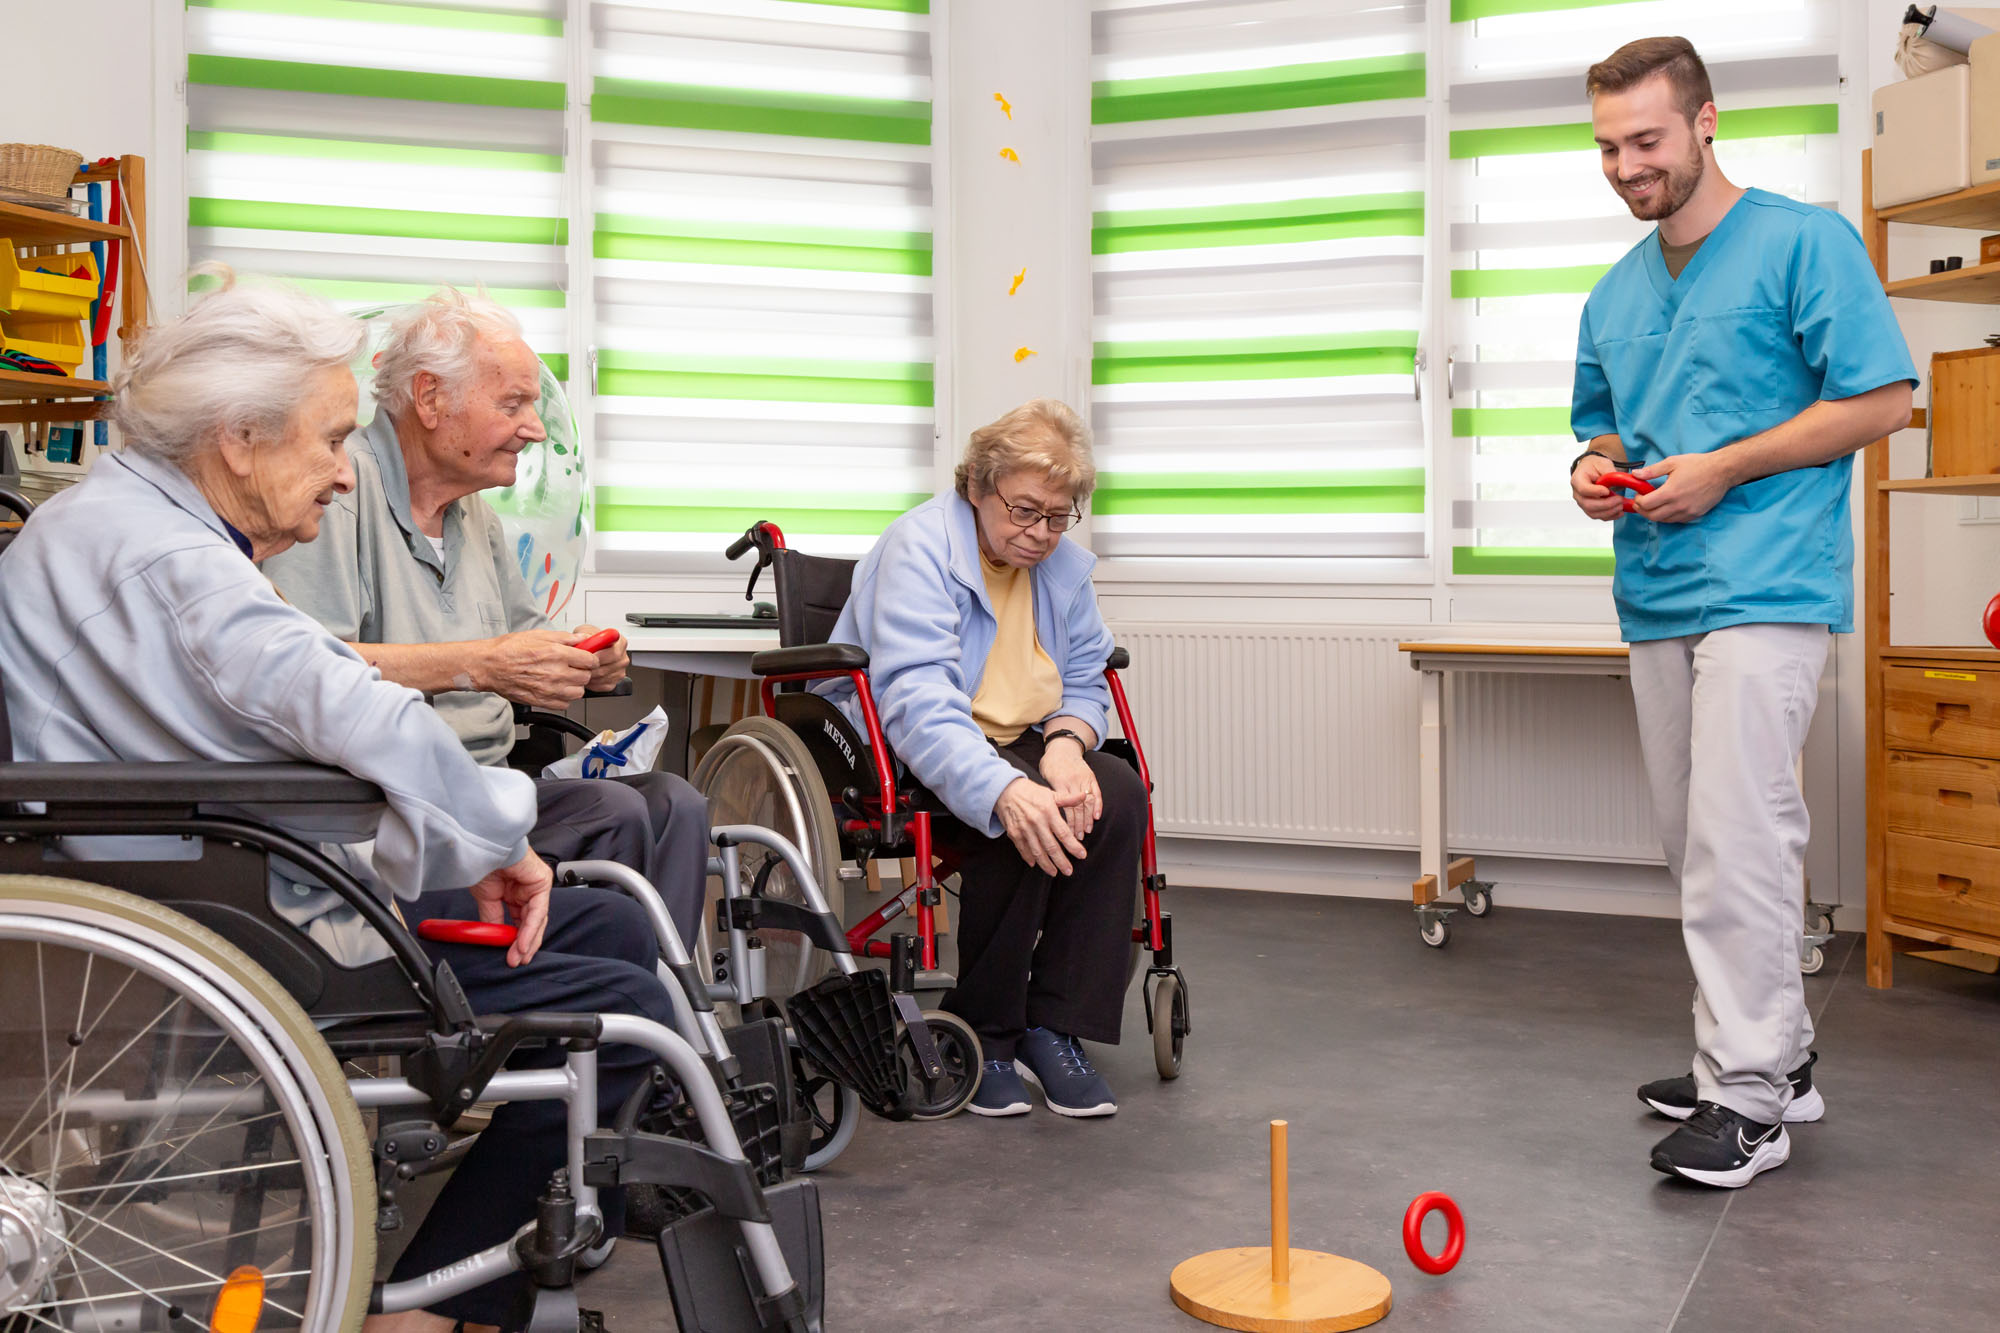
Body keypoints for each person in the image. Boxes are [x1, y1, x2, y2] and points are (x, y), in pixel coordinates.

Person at [0, 272, 677, 1332]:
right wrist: (496, 836)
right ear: (239, 438)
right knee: (634, 1005)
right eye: (326, 441)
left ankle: (507, 1220)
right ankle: (428, 1306)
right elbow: (361, 708)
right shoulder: (180, 564)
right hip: (246, 917)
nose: (341, 474)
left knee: (611, 923)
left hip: (187, 880)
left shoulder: (107, 521)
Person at [1568, 38, 1916, 1187]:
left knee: (1737, 840)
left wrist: (1723, 466)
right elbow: (1610, 425)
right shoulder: (1614, 292)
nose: (1625, 166)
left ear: (1705, 121)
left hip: (1767, 582)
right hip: (1656, 590)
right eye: (1608, 146)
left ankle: (1749, 1098)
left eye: (1645, 140)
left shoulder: (1800, 242)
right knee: (1690, 842)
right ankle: (1774, 1054)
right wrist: (1592, 465)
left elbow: (1879, 398)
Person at [261, 289, 710, 951]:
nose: (535, 427)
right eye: (512, 403)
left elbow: (524, 646)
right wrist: (484, 663)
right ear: (431, 398)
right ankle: (588, 1020)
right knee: (614, 812)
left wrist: (587, 660)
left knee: (677, 802)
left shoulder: (476, 517)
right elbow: (312, 667)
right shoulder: (336, 492)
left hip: (484, 788)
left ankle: (652, 1015)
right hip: (388, 808)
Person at [826, 399, 1144, 1119]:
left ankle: (1051, 1025)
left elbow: (1090, 674)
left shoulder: (1061, 566)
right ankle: (986, 1031)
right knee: (1017, 808)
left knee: (1115, 793)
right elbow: (915, 700)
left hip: (1028, 731)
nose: (1040, 534)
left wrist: (1067, 743)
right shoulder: (918, 549)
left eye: (1058, 516)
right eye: (1026, 511)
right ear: (977, 486)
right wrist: (1003, 785)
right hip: (913, 735)